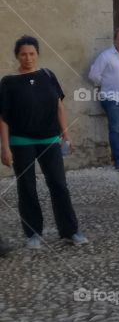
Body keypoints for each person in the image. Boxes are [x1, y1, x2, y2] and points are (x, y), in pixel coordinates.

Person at [0, 36, 87, 249]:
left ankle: (70, 231)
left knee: (58, 184)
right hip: (21, 141)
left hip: (49, 138)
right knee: (27, 186)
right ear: (17, 56)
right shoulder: (9, 82)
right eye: (23, 54)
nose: (28, 58)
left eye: (31, 53)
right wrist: (4, 147)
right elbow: (2, 117)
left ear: (37, 54)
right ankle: (33, 234)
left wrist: (66, 134)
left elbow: (59, 106)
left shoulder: (48, 75)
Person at [88, 28, 119, 171]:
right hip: (111, 97)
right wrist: (105, 84)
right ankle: (118, 159)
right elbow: (93, 75)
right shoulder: (106, 56)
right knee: (115, 129)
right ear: (115, 40)